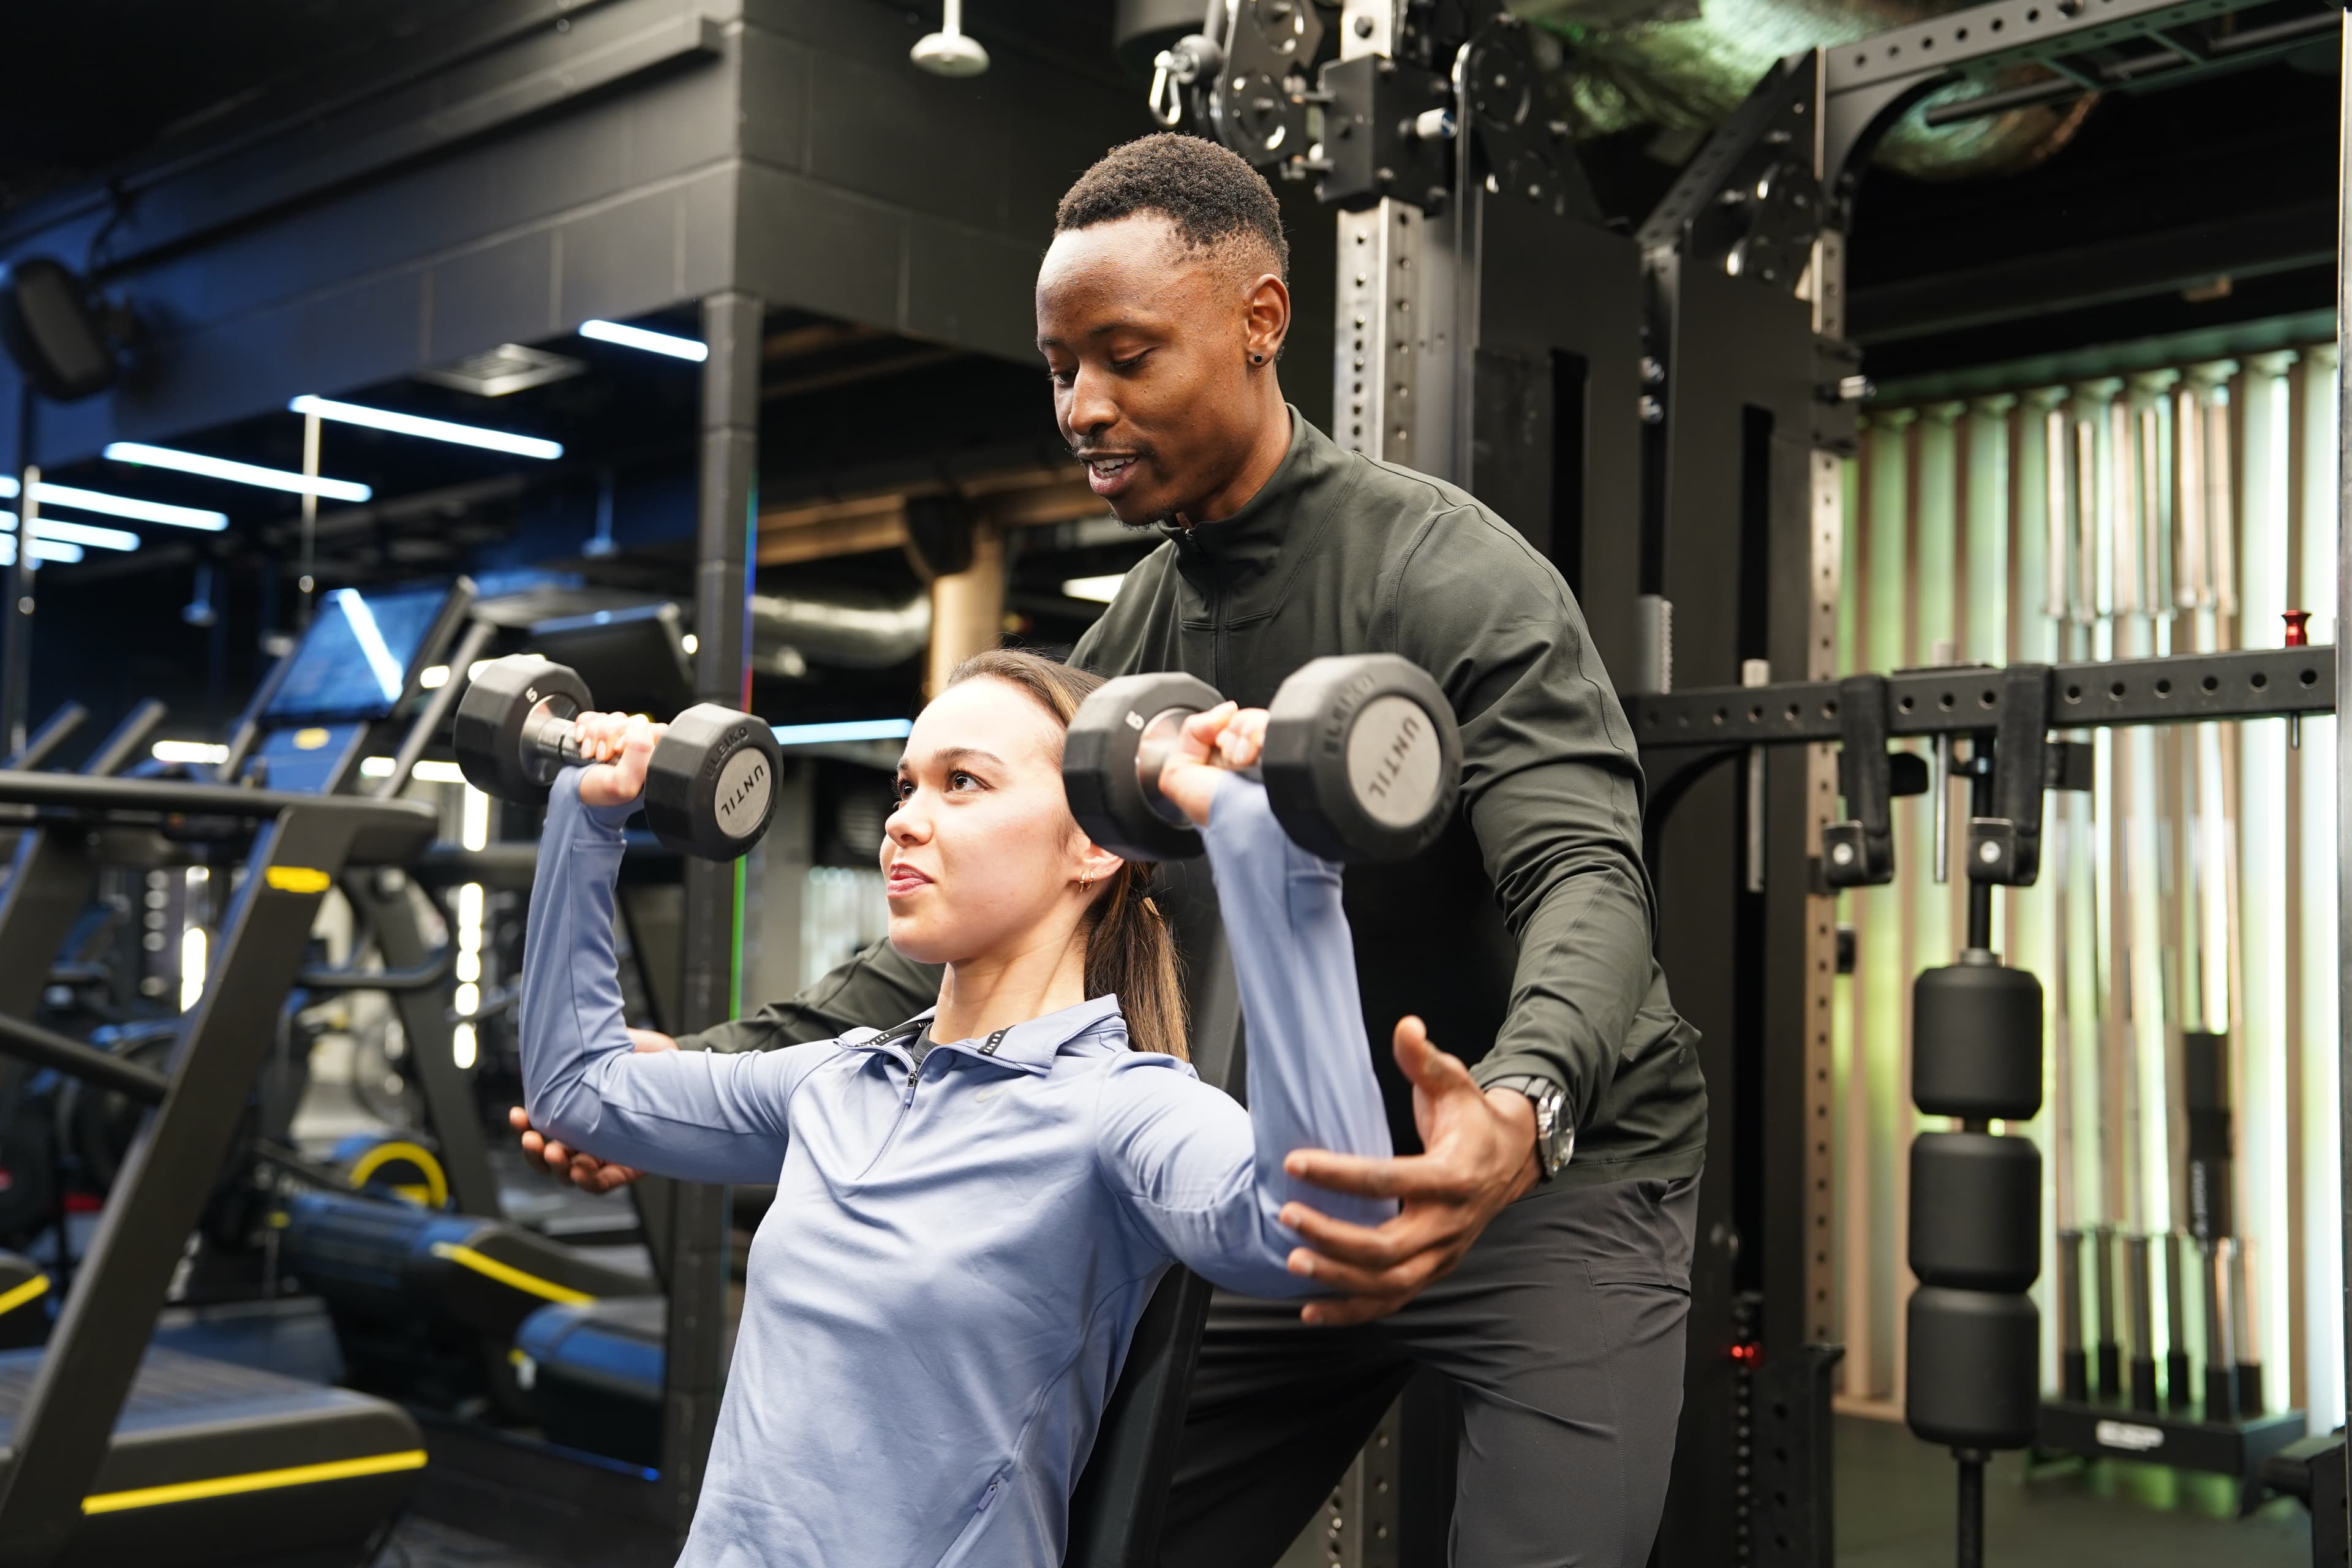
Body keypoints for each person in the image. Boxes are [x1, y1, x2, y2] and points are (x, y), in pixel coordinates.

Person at [519, 134, 1706, 1566]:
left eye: (1126, 356)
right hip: (1303, 1168)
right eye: (1060, 366)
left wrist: (1517, 1105)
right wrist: (683, 1064)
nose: (1083, 405)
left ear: (1260, 322)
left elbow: (1582, 868)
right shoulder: (1126, 644)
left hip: (1543, 1179)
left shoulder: (1447, 575)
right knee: (1109, 1527)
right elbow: (959, 929)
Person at [520, 649, 1402, 1566]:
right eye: (905, 787)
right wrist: (588, 818)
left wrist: (1277, 860)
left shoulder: (1119, 1112)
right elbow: (579, 1091)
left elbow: (1324, 1226)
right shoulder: (836, 1080)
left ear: (1093, 844)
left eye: (963, 783)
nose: (903, 821)